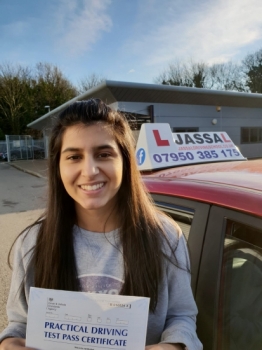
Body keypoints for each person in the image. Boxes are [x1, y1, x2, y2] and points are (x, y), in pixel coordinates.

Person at [0, 99, 202, 350]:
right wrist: (9, 343)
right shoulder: (32, 243)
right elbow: (19, 323)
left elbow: (181, 316)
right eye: (74, 156)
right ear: (58, 167)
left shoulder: (165, 236)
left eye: (103, 154)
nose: (90, 170)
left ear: (125, 161)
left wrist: (173, 346)